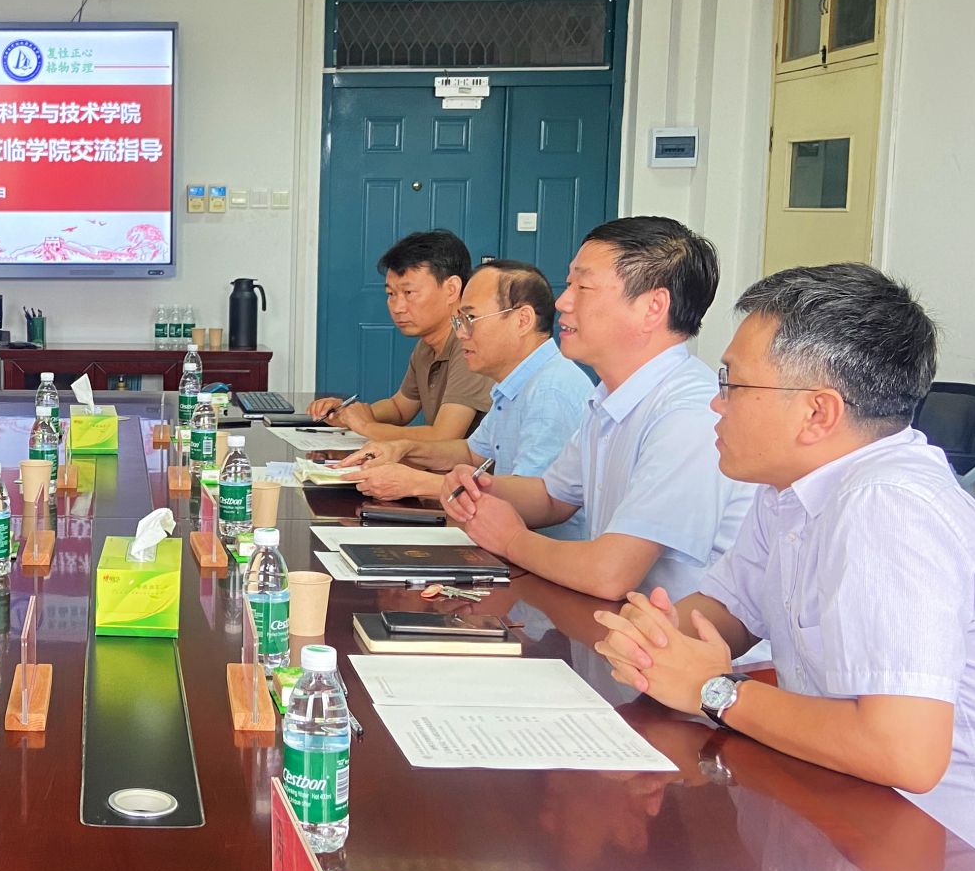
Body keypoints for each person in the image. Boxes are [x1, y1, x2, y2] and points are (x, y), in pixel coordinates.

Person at [594, 263, 975, 871]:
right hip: (872, 817)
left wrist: (715, 689)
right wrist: (646, 640)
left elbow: (903, 753)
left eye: (732, 383)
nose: (715, 404)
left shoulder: (890, 507)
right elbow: (725, 613)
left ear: (817, 413)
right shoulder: (791, 490)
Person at [442, 217, 751, 600]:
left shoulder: (688, 414)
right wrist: (479, 487)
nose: (562, 302)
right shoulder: (608, 395)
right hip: (620, 622)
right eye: (569, 284)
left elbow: (611, 573)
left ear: (653, 307)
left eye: (583, 287)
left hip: (687, 634)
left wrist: (512, 540)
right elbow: (553, 497)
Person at [335, 259, 591, 505]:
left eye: (470, 319)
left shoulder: (549, 391)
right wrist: (403, 449)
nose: (460, 333)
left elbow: (530, 497)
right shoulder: (515, 383)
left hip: (535, 535)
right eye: (459, 321)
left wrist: (418, 483)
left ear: (522, 320)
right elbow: (471, 453)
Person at [306, 229, 494, 443]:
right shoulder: (427, 346)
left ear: (451, 289)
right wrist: (348, 414)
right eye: (391, 294)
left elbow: (444, 437)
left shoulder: (470, 343)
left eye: (409, 293)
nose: (397, 307)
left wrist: (366, 426)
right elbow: (399, 408)